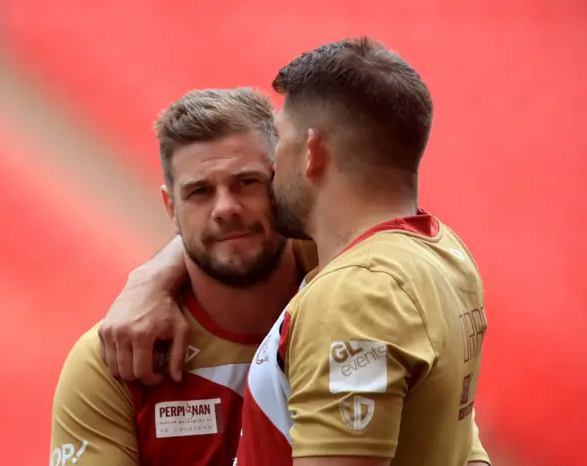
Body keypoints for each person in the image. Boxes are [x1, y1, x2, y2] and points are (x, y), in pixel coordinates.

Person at [99, 37, 490, 466]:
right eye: (200, 192)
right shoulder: (446, 253)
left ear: (312, 152)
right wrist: (151, 275)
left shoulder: (351, 296)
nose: (272, 169)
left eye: (280, 143)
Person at [50, 88, 307, 466]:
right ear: (171, 208)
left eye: (246, 182)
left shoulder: (347, 289)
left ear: (283, 182)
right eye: (200, 192)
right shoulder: (111, 363)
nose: (226, 208)